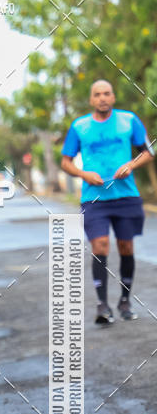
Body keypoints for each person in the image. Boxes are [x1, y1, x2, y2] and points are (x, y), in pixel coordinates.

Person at [61, 80, 154, 324]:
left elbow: (148, 152)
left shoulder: (128, 120)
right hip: (94, 198)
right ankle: (102, 305)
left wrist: (130, 165)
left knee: (126, 248)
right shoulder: (79, 126)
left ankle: (125, 300)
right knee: (100, 245)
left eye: (107, 93)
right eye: (97, 94)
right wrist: (83, 174)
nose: (102, 97)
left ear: (113, 97)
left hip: (126, 196)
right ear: (91, 100)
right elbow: (66, 162)